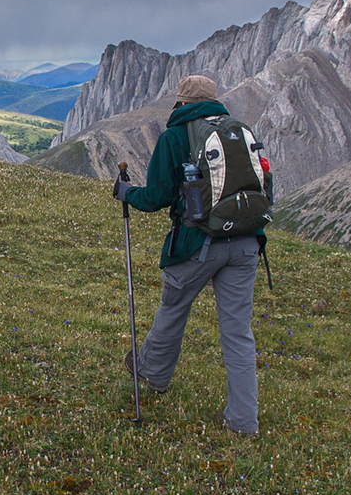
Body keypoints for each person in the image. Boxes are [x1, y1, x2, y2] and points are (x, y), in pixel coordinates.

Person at [113, 75, 265, 436]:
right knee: (238, 333)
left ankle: (153, 374)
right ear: (214, 100)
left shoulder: (174, 136)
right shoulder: (236, 131)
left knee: (174, 310)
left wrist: (125, 192)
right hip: (246, 241)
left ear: (180, 101)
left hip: (199, 243)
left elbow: (156, 197)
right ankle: (244, 422)